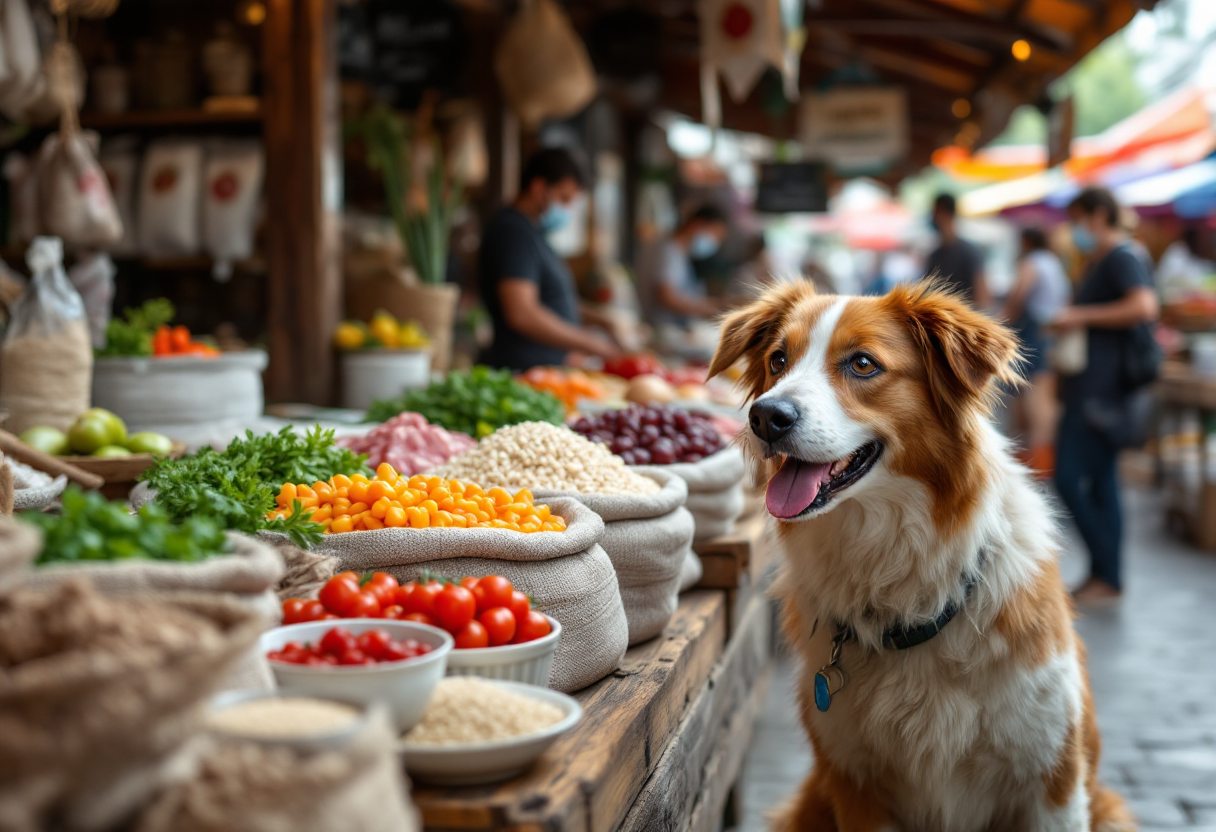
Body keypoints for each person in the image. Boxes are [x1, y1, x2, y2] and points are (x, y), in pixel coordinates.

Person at [1051, 187, 1159, 605]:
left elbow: (1144, 306)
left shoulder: (1121, 258)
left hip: (1103, 393)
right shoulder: (1101, 259)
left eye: (1078, 219)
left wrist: (1079, 315)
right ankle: (1106, 574)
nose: (1074, 230)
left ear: (1098, 216)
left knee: (1070, 479)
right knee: (1102, 483)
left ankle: (1106, 570)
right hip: (1093, 389)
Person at [478, 147, 620, 371]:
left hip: (550, 367)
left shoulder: (533, 232)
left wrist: (599, 320)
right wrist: (591, 343)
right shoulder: (512, 232)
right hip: (524, 370)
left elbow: (549, 300)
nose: (567, 209)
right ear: (538, 187)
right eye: (563, 198)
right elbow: (522, 313)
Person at [1001, 227, 1070, 476]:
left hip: (1032, 336)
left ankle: (1036, 460)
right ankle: (1040, 457)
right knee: (1043, 398)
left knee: (1033, 402)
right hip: (1048, 335)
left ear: (1026, 241)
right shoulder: (1053, 263)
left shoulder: (1031, 262)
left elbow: (1019, 295)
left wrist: (1001, 320)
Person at [635, 203, 730, 330]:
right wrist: (709, 309)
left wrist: (712, 304)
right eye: (714, 235)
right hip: (659, 329)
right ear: (697, 224)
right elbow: (666, 297)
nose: (715, 243)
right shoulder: (666, 251)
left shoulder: (679, 254)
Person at [923, 193, 991, 309]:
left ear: (943, 213)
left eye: (935, 212)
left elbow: (983, 297)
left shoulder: (969, 252)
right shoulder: (934, 256)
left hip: (963, 320)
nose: (933, 217)